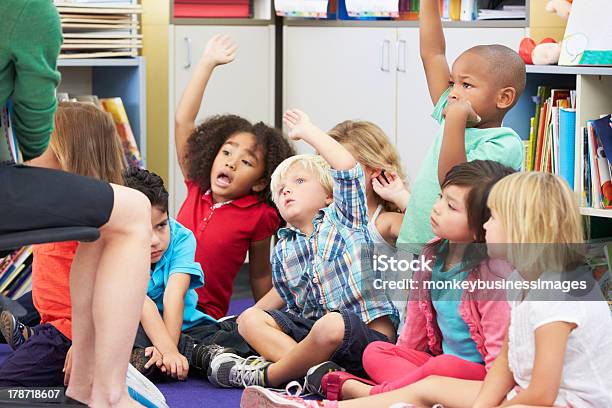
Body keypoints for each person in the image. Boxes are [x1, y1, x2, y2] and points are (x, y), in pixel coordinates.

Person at [241, 172, 612, 408]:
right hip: (522, 396)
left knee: (440, 381)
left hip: (559, 402)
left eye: (493, 218)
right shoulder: (520, 281)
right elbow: (505, 364)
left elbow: (544, 394)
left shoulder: (557, 290)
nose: (486, 227)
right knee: (430, 385)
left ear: (523, 228)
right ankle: (319, 406)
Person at [0, 2, 151, 405]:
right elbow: (34, 133)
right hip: (54, 326)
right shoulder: (26, 9)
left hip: (61, 329)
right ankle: (107, 392)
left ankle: (86, 381)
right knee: (132, 211)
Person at [208, 109, 398, 389]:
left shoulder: (345, 220)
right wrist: (235, 324)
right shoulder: (285, 247)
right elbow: (286, 302)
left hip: (366, 338)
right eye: (281, 188)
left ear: (329, 195)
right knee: (250, 319)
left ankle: (270, 375)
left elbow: (347, 168)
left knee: (332, 324)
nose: (286, 190)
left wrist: (309, 132)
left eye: (298, 182)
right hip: (317, 340)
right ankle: (319, 376)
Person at [317, 160, 514, 401]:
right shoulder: (431, 254)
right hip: (435, 366)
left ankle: (372, 395)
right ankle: (415, 396)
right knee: (374, 352)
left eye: (451, 207)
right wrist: (401, 356)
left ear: (480, 227)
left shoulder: (492, 275)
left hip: (480, 375)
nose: (437, 208)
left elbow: (500, 354)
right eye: (441, 197)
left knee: (442, 367)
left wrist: (494, 396)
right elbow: (415, 328)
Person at [0, 102, 126, 388]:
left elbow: (110, 295)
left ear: (68, 157)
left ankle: (32, 340)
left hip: (67, 332)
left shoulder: (95, 222)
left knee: (5, 386)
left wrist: (84, 343)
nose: (28, 150)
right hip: (46, 305)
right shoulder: (49, 200)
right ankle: (26, 334)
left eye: (39, 142)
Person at [174, 34, 295, 319]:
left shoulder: (260, 215)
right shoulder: (196, 187)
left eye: (246, 162)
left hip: (203, 313)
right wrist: (206, 63)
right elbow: (183, 121)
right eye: (227, 153)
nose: (231, 163)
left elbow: (260, 275)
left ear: (260, 182)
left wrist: (265, 319)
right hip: (161, 299)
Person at [397, 0, 526, 255]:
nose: (453, 93)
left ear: (504, 98)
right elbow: (433, 54)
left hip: (455, 256)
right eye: (452, 83)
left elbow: (452, 182)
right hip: (415, 242)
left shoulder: (504, 142)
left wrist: (454, 120)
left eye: (466, 85)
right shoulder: (455, 109)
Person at [123, 167, 215, 381]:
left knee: (231, 335)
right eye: (145, 230)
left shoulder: (182, 238)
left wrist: (169, 349)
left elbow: (175, 293)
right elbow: (141, 302)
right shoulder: (116, 243)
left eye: (162, 225)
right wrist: (167, 349)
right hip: (134, 323)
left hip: (184, 325)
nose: (155, 240)